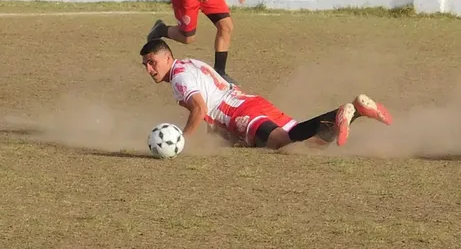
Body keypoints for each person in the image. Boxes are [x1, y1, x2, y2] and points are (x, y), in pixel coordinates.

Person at [139, 39, 391, 150]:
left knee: (281, 142)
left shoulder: (179, 79)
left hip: (238, 113)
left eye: (152, 62)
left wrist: (183, 141)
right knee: (308, 143)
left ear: (167, 57)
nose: (150, 69)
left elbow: (200, 109)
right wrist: (218, 136)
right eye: (146, 65)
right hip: (249, 102)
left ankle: (340, 113)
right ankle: (355, 110)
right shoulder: (190, 63)